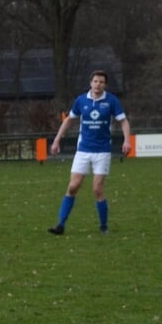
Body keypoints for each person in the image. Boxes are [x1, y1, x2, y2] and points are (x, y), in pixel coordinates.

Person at [48, 70, 131, 235]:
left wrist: (127, 140)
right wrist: (57, 139)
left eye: (101, 82)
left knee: (97, 189)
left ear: (105, 85)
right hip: (83, 150)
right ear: (90, 83)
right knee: (73, 186)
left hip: (102, 151)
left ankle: (103, 226)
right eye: (95, 81)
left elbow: (124, 122)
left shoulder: (112, 101)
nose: (98, 84)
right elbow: (69, 121)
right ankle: (60, 225)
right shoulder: (81, 100)